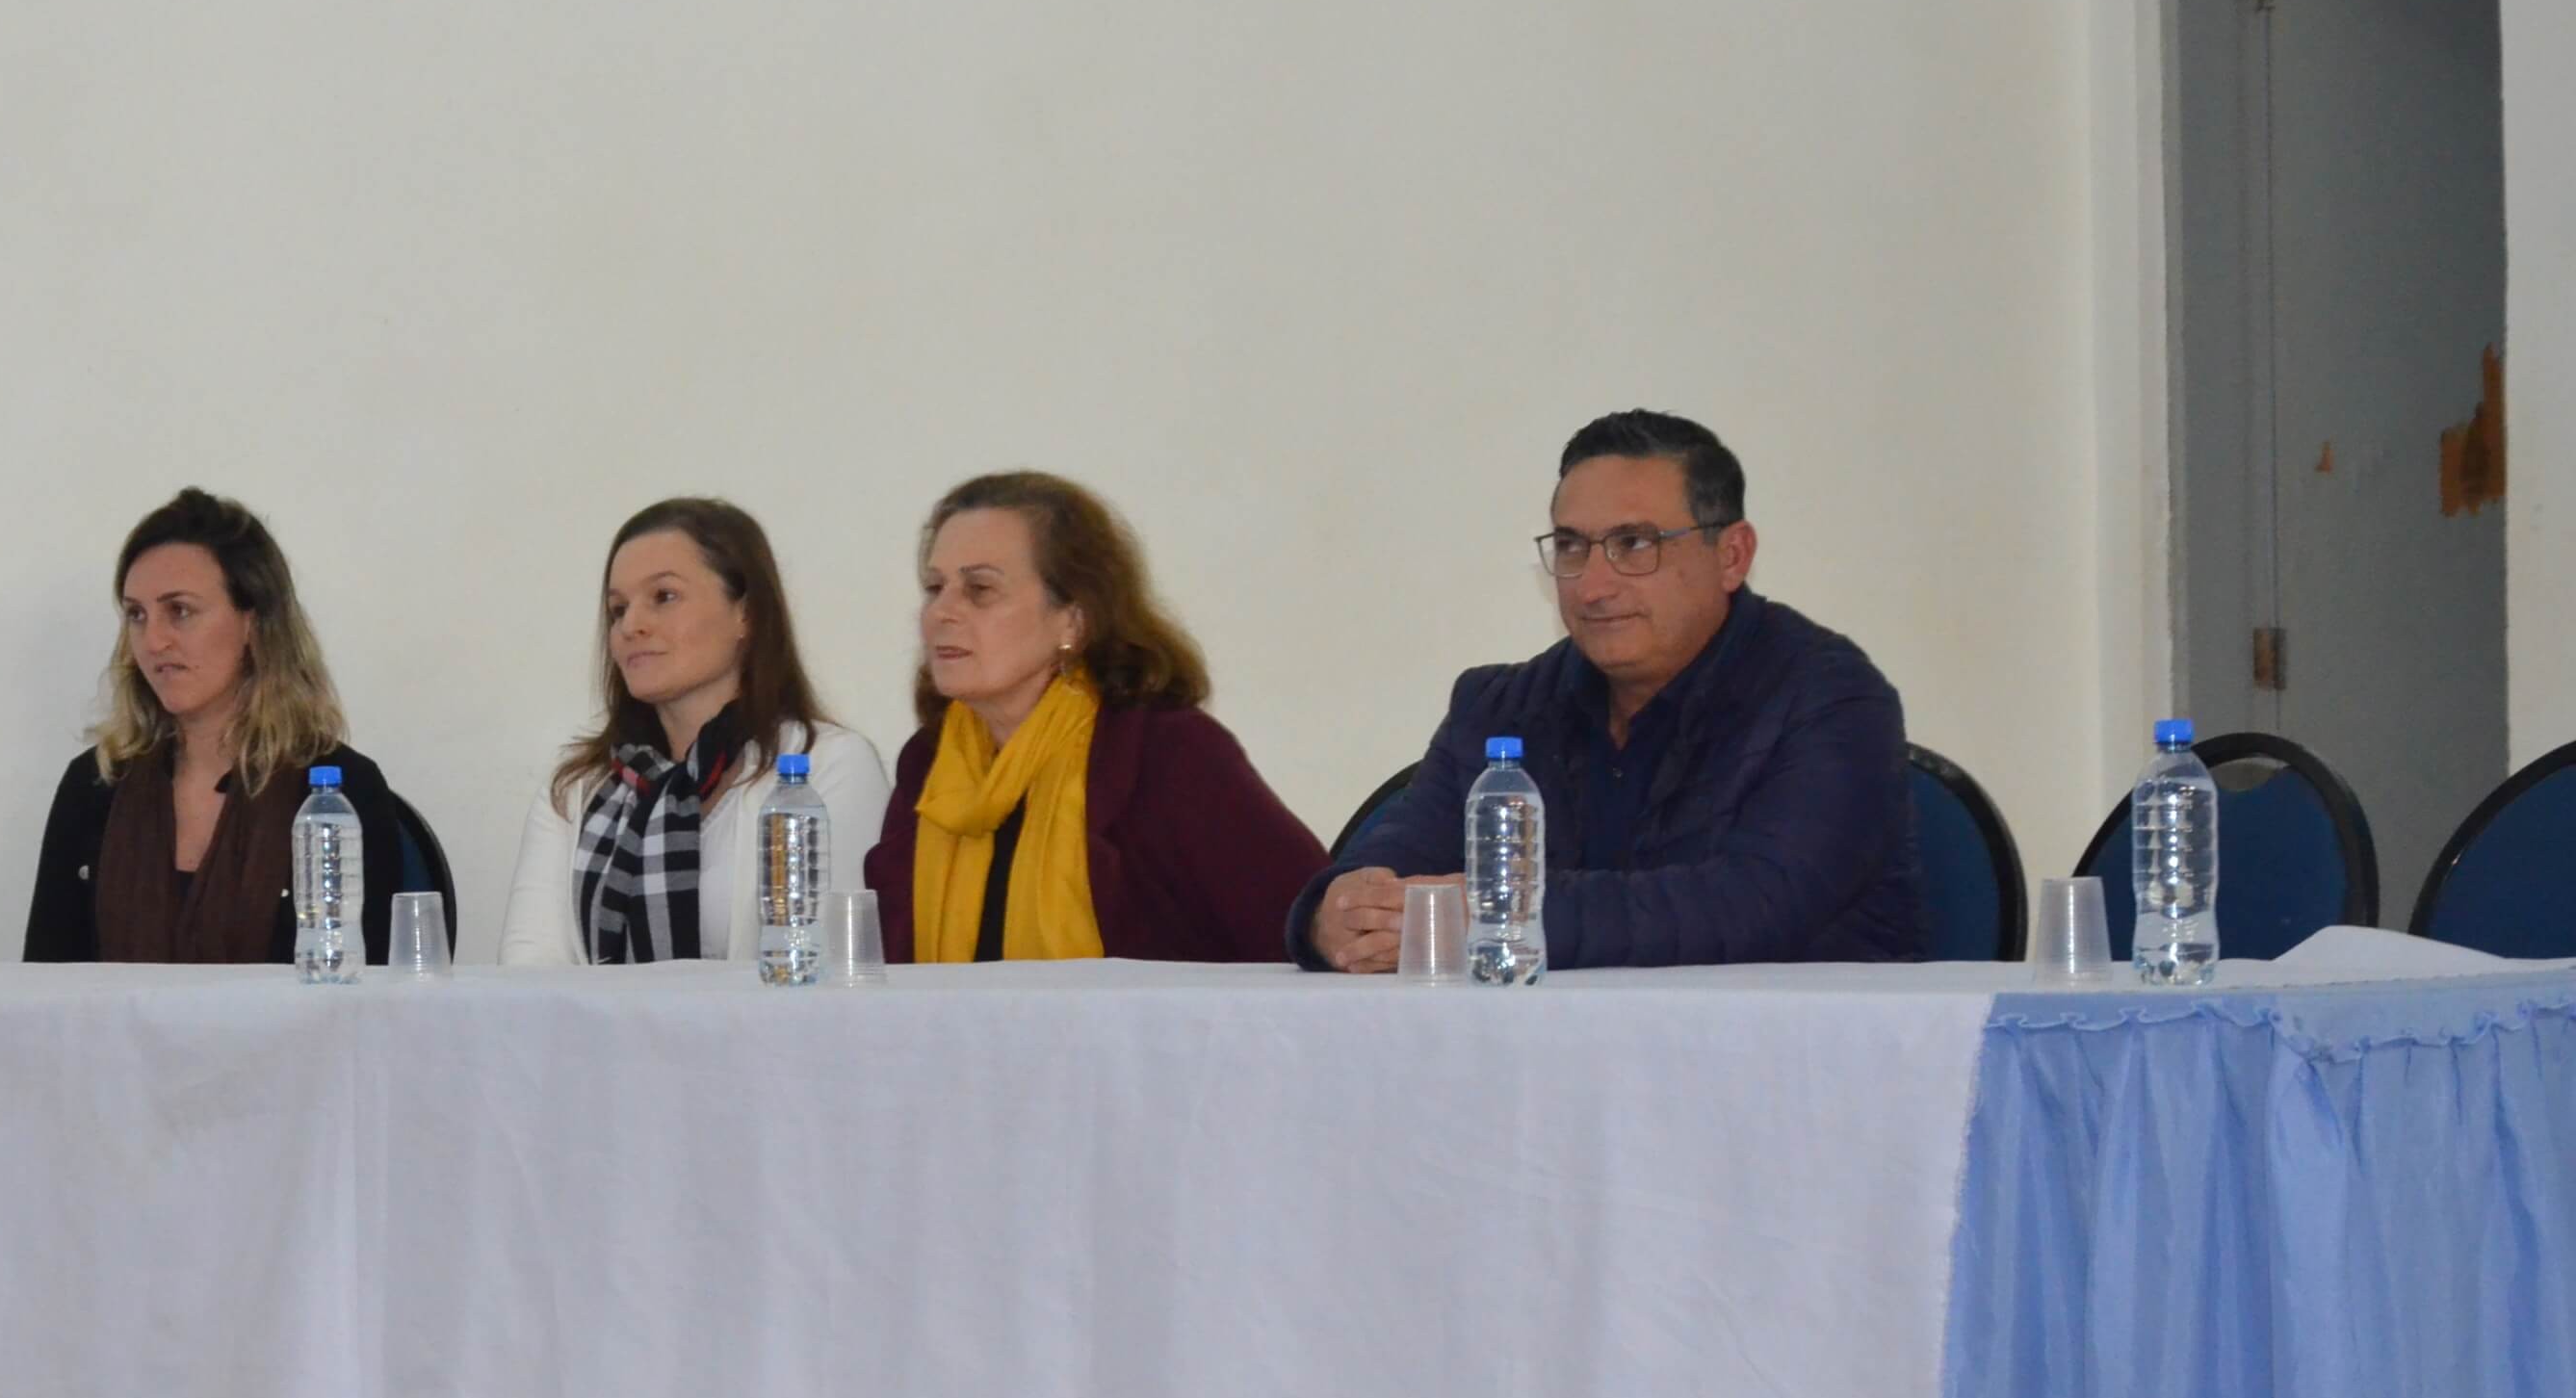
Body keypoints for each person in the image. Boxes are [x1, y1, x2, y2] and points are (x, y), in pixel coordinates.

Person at [1294, 410, 1927, 971]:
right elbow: (1393, 859)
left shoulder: (1830, 700)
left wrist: (1495, 915)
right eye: (1571, 547)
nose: (1593, 585)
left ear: (1732, 555)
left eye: (1633, 545)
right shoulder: (1499, 707)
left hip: (1787, 1075)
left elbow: (1752, 905)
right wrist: (1333, 914)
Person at [866, 471, 1321, 963]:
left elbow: (1305, 927)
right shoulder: (931, 764)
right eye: (935, 587)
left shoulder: (1166, 753)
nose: (940, 613)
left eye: (979, 590)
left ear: (1073, 620)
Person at [22, 489, 411, 966]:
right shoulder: (95, 786)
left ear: (253, 621)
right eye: (136, 615)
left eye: (179, 611)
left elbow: (371, 1008)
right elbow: (44, 993)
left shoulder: (340, 790)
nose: (153, 640)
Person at [500, 498, 892, 967]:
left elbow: (825, 966)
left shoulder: (827, 765)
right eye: (618, 609)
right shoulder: (576, 789)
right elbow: (529, 974)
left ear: (745, 613)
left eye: (664, 597)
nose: (632, 626)